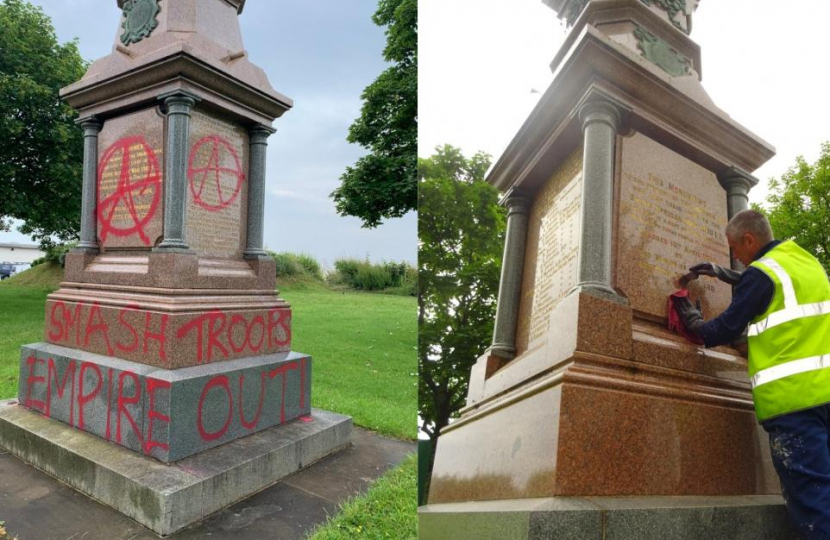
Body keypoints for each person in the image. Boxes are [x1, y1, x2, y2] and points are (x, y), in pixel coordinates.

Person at [673, 209, 830, 540]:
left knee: (815, 507)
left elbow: (727, 327)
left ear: (749, 239)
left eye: (735, 249)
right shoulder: (805, 262)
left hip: (794, 404)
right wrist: (729, 275)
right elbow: (774, 289)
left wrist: (693, 322)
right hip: (824, 396)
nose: (737, 258)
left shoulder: (760, 274)